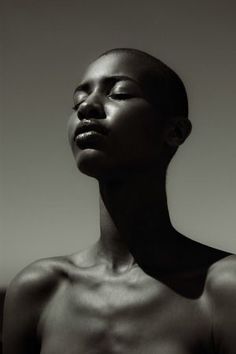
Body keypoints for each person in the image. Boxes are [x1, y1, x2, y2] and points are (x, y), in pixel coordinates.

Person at [2, 48, 236, 354]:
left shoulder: (222, 290)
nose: (86, 106)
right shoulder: (39, 290)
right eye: (77, 101)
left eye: (120, 93)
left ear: (175, 131)